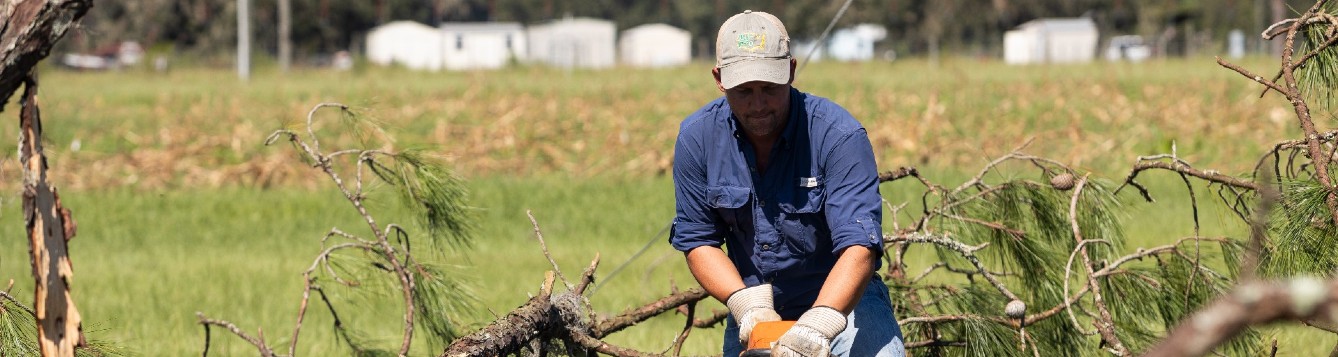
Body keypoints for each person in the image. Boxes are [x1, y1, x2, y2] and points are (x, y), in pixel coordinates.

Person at [669, 9, 906, 357]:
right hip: (755, 306)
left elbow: (860, 247)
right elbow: (699, 241)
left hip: (845, 302)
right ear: (719, 79)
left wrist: (819, 324)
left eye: (769, 88)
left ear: (791, 71)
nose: (759, 104)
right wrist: (746, 305)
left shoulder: (838, 136)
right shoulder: (697, 138)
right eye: (744, 91)